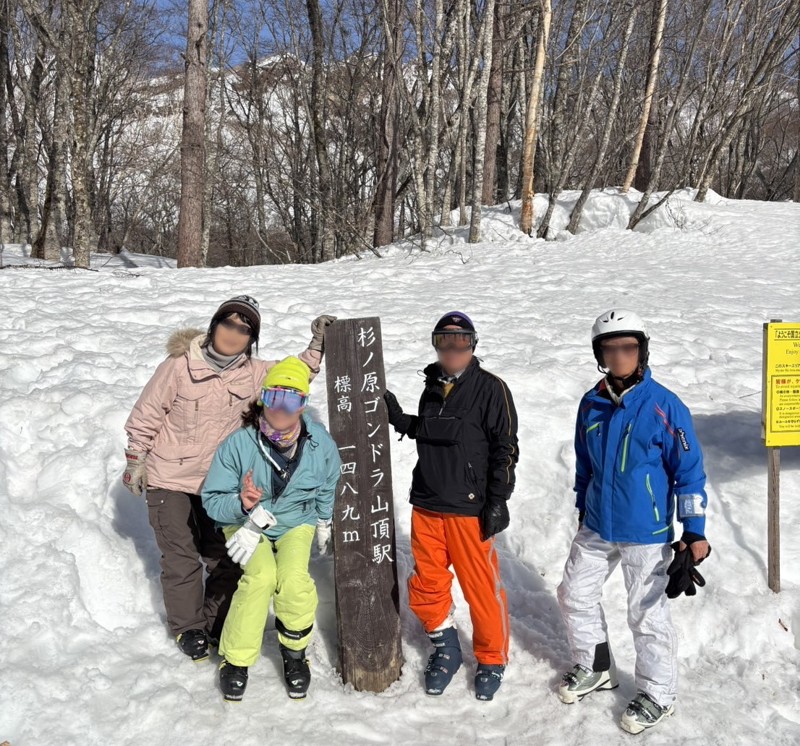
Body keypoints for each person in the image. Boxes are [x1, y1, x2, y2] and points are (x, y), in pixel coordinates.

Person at [123, 295, 336, 662]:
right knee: (180, 557)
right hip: (170, 478)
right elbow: (147, 414)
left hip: (221, 483)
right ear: (214, 325)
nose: (234, 333)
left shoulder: (254, 373)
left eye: (245, 329)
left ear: (251, 339)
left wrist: (318, 344)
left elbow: (294, 375)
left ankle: (215, 623)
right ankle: (189, 628)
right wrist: (135, 459)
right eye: (229, 323)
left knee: (225, 557)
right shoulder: (178, 366)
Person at [557, 308, 711, 735]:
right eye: (610, 348)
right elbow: (585, 464)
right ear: (600, 354)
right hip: (597, 523)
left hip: (647, 529)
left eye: (628, 347)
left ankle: (659, 694)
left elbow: (689, 472)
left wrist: (694, 530)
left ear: (641, 351)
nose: (619, 356)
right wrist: (582, 506)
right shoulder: (591, 403)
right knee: (573, 594)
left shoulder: (665, 405)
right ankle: (595, 665)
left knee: (646, 613)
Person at [383, 311, 519, 701]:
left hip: (468, 509)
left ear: (473, 345)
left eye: (461, 341)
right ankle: (446, 647)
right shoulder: (433, 385)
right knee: (427, 583)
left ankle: (491, 658)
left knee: (481, 589)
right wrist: (400, 420)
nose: (453, 349)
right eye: (444, 340)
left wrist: (498, 499)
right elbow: (433, 430)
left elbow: (505, 447)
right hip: (427, 503)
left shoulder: (491, 388)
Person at [200, 357, 340, 701]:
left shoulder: (319, 443)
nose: (281, 408)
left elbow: (328, 483)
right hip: (246, 524)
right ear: (263, 398)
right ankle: (236, 659)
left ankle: (295, 653)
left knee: (293, 580)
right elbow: (212, 499)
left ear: (303, 405)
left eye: (292, 399)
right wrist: (242, 504)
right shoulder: (239, 444)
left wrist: (324, 520)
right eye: (275, 396)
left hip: (296, 522)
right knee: (261, 577)